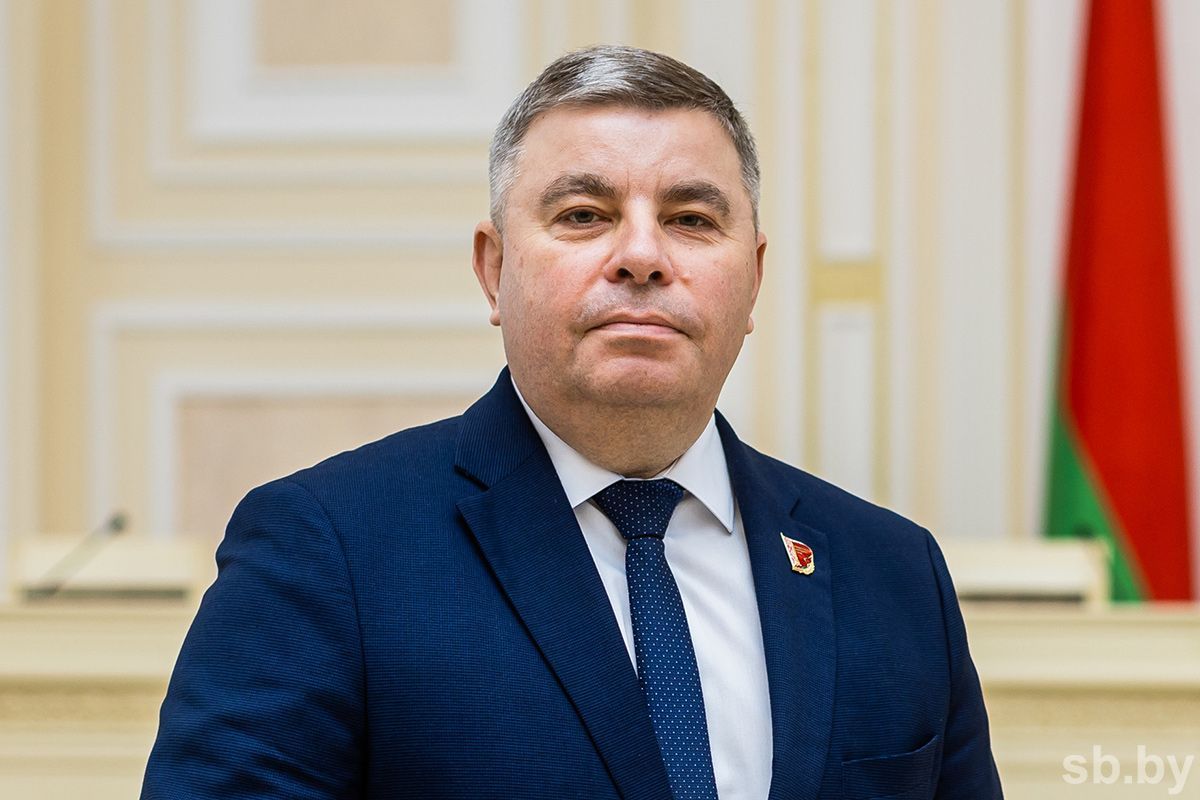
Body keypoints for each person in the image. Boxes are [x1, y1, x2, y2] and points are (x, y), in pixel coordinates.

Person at [141, 45, 1003, 799]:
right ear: (494, 270)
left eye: (691, 219)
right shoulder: (326, 551)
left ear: (753, 279)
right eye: (584, 215)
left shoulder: (894, 575)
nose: (642, 256)